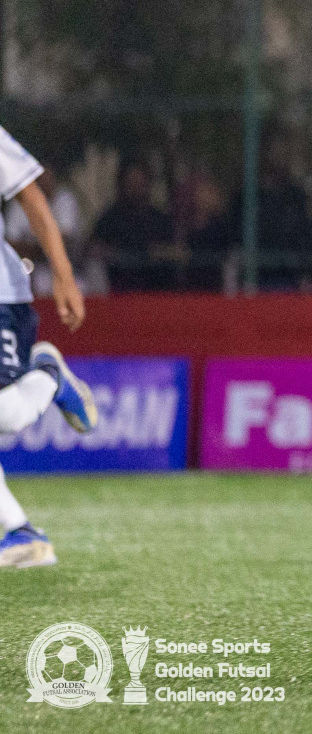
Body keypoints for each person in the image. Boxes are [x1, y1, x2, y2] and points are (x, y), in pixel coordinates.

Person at [0, 127, 100, 568]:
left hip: (2, 295)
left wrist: (62, 273)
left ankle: (49, 376)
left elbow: (31, 194)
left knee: (8, 412)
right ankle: (21, 534)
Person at [90, 161, 176, 291]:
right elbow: (93, 248)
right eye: (131, 181)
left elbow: (174, 251)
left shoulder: (160, 219)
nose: (135, 186)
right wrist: (111, 253)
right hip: (117, 287)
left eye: (139, 181)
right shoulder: (111, 217)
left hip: (155, 289)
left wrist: (159, 253)